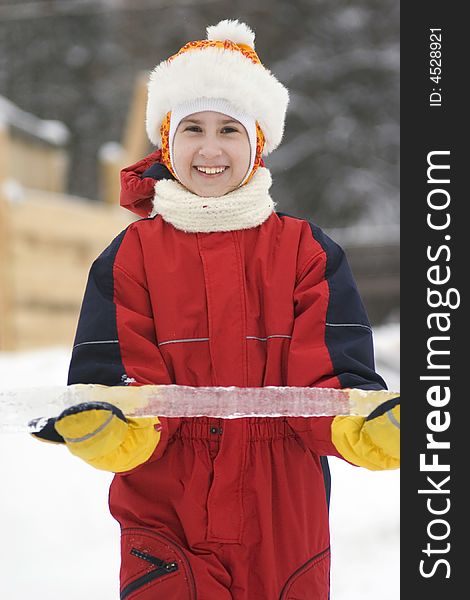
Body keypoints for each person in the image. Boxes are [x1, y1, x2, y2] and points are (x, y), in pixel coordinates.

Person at [33, 19, 400, 599]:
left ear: (256, 141)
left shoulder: (307, 251)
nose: (210, 148)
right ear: (167, 142)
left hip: (284, 508)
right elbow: (116, 375)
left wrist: (370, 426)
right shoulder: (131, 256)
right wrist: (109, 423)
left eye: (229, 129)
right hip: (166, 498)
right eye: (193, 129)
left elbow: (330, 380)